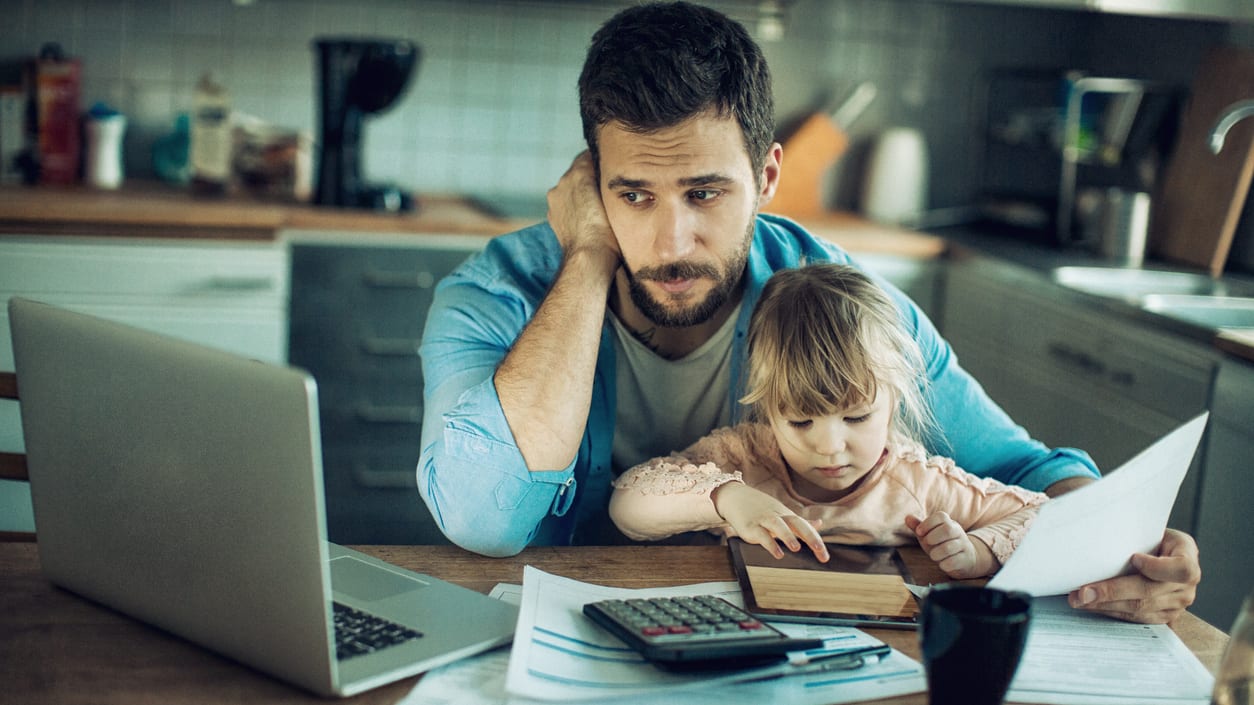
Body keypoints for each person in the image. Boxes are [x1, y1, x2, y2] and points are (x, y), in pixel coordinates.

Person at [417, 1, 1200, 623]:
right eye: (633, 194)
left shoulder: (833, 300)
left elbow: (1027, 471)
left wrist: (1121, 548)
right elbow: (484, 517)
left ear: (766, 177)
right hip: (556, 640)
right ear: (591, 183)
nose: (669, 240)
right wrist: (587, 258)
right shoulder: (498, 292)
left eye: (704, 192)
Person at [609, 263, 1048, 580]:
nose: (830, 447)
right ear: (768, 407)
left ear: (894, 401)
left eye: (856, 416)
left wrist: (978, 551)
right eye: (801, 422)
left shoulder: (919, 483)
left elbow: (1044, 516)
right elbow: (626, 506)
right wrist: (726, 498)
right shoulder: (743, 457)